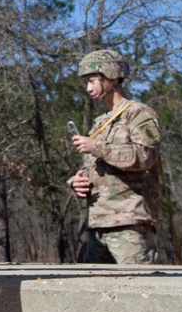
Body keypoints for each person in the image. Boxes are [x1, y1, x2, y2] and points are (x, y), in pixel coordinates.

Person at [68, 49, 160, 265]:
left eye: (92, 81)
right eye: (86, 82)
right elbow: (98, 170)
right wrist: (77, 181)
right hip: (97, 225)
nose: (88, 88)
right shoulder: (100, 122)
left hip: (129, 224)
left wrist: (97, 147)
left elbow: (146, 156)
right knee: (94, 294)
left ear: (112, 76)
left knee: (138, 291)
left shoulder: (138, 113)